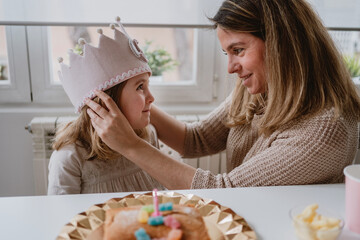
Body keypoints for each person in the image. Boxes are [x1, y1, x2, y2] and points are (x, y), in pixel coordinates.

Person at [85, 0, 360, 190]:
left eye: (238, 50)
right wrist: (129, 97)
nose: (230, 68)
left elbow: (225, 190)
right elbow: (195, 140)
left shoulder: (325, 129)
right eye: (226, 53)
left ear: (282, 44)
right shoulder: (261, 89)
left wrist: (130, 145)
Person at [47, 18, 164, 194]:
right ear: (108, 100)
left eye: (148, 86)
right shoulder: (70, 158)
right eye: (140, 87)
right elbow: (63, 217)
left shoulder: (148, 136)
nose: (151, 97)